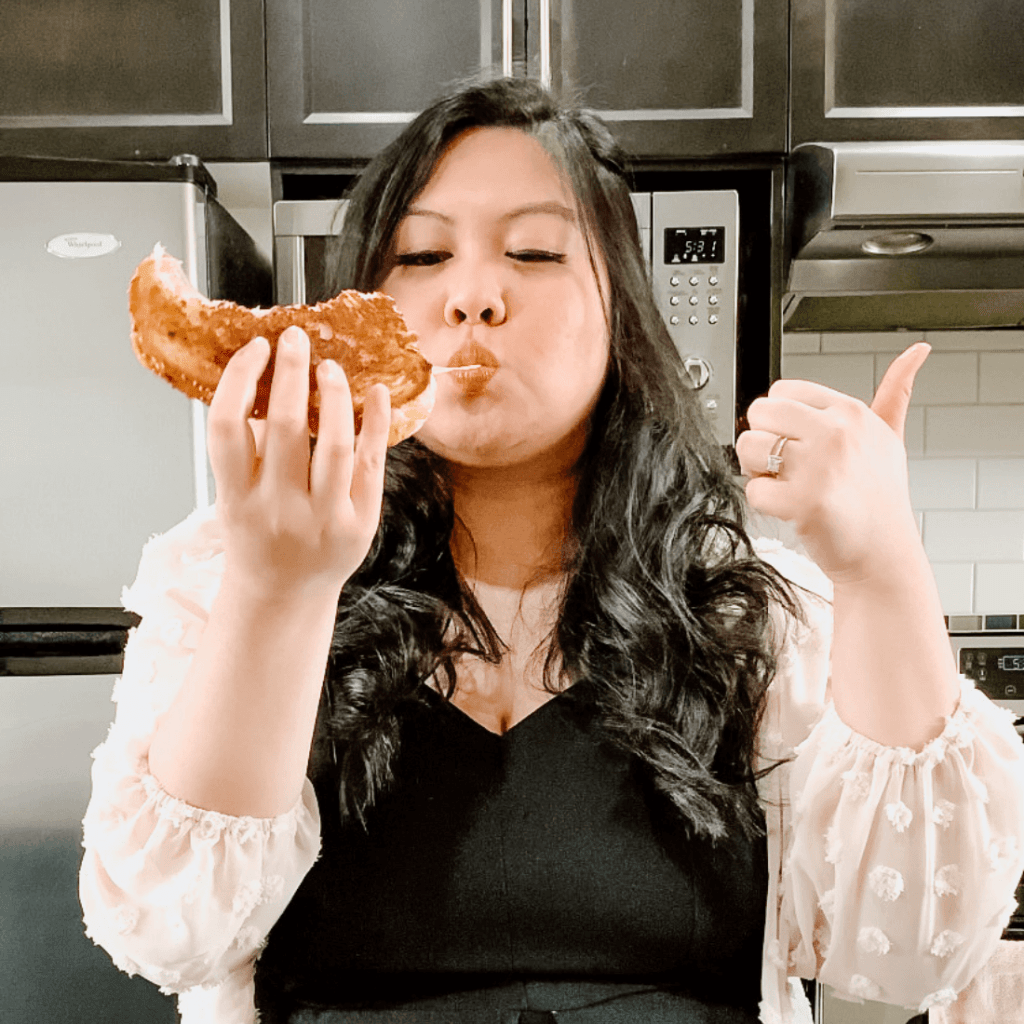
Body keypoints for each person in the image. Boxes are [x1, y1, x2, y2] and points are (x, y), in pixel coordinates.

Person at [79, 78, 1024, 1024]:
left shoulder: (756, 619)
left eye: (533, 250)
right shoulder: (225, 580)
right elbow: (169, 934)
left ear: (621, 304)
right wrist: (276, 589)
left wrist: (883, 567)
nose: (474, 296)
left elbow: (906, 962)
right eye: (423, 253)